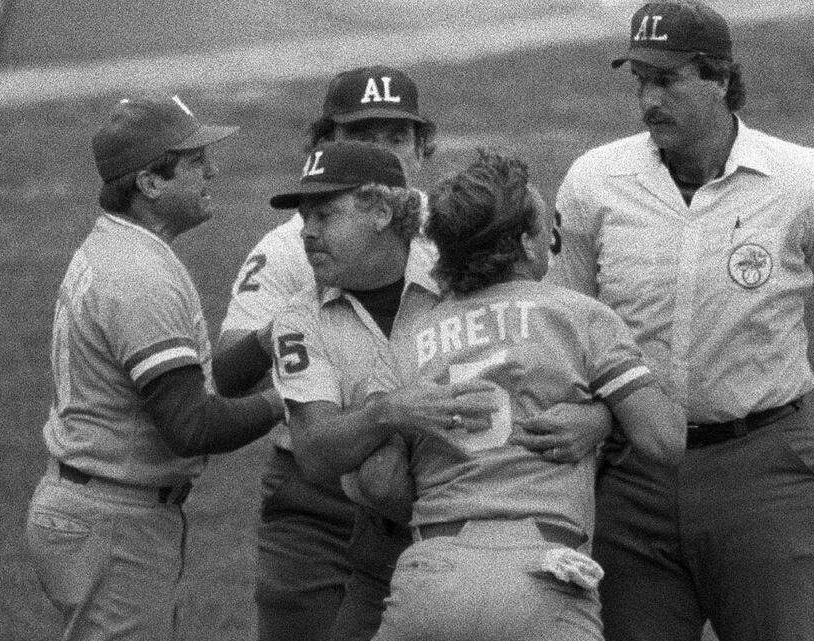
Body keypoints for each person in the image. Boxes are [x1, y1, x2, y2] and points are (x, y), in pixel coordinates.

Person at [547, 2, 814, 640]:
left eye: (667, 82)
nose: (649, 102)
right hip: (630, 478)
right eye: (641, 82)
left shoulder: (805, 182)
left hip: (763, 471)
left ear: (718, 79)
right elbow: (563, 331)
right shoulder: (594, 182)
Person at [267, 141, 614, 641]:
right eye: (305, 218)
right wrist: (388, 414)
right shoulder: (299, 321)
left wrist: (599, 416)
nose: (308, 233)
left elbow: (567, 355)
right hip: (379, 544)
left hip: (507, 532)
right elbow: (316, 455)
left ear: (381, 212)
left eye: (324, 214)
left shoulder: (466, 270)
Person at [366, 150, 685, 641]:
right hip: (542, 575)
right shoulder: (580, 317)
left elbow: (380, 484)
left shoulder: (409, 337)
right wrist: (604, 415)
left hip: (430, 580)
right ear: (522, 244)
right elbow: (664, 440)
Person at [23, 94, 284, 640]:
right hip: (113, 522)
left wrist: (267, 343)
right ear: (150, 183)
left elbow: (199, 388)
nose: (212, 170)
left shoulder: (125, 249)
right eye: (194, 161)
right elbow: (192, 426)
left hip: (102, 510)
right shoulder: (139, 276)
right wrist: (292, 397)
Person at [211, 65, 438, 641]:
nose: (383, 151)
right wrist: (285, 331)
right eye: (361, 137)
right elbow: (227, 373)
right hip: (318, 504)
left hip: (442, 481)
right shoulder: (293, 246)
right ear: (324, 145)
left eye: (396, 137)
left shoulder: (455, 230)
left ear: (421, 146)